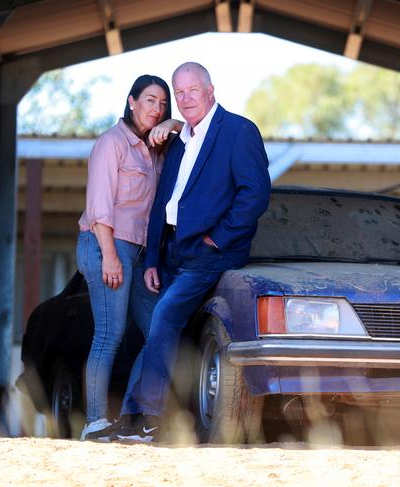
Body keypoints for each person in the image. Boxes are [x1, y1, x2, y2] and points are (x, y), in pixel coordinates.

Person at [95, 62, 271, 443]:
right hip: (173, 251)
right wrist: (154, 259)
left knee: (164, 318)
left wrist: (218, 238)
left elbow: (255, 194)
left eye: (193, 89)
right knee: (159, 326)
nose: (186, 98)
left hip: (212, 253)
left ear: (211, 90)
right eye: (181, 92)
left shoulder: (238, 131)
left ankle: (150, 419)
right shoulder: (179, 140)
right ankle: (133, 417)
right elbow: (164, 200)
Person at [76, 74, 183, 441]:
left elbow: (191, 130)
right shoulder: (112, 143)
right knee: (110, 334)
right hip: (105, 244)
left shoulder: (155, 146)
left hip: (138, 252)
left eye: (163, 104)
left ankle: (131, 415)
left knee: (159, 329)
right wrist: (109, 257)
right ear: (131, 101)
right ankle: (94, 422)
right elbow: (99, 207)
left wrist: (171, 123)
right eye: (150, 101)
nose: (156, 109)